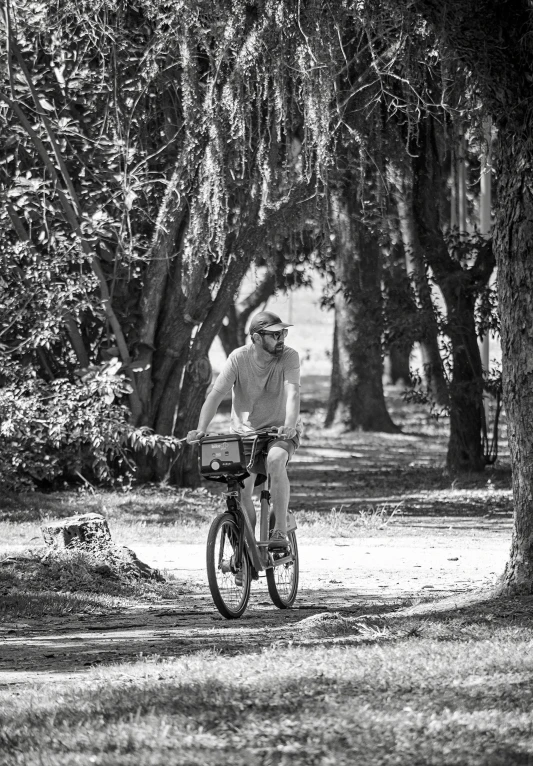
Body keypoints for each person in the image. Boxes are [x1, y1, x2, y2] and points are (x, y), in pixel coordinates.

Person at [187, 310, 301, 550]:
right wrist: (200, 429)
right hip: (244, 435)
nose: (282, 339)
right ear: (257, 338)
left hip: (278, 433)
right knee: (239, 492)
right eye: (275, 335)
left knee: (276, 460)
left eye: (283, 333)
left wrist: (289, 426)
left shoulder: (289, 356)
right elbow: (216, 395)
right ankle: (245, 552)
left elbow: (293, 393)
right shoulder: (238, 358)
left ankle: (279, 529)